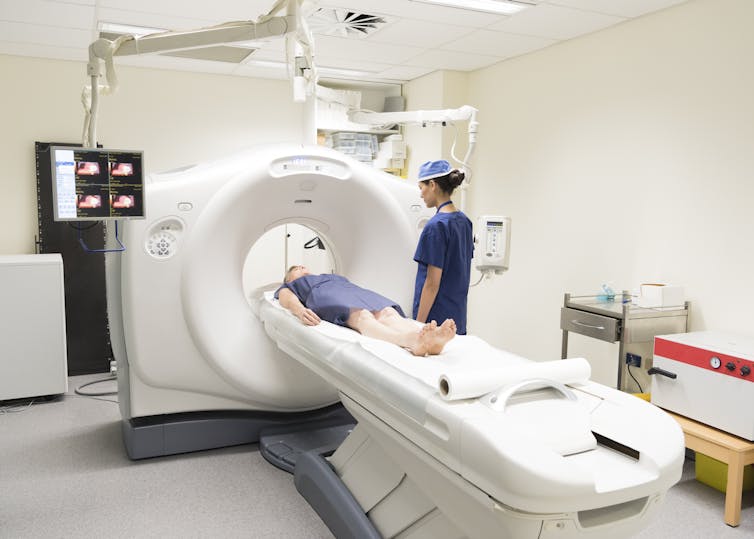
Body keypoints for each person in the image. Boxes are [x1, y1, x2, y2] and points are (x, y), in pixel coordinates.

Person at [275, 265, 456, 357]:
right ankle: (409, 341)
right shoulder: (293, 286)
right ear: (290, 279)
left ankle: (427, 338)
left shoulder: (329, 275)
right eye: (295, 269)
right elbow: (285, 297)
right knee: (363, 316)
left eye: (302, 266)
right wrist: (299, 310)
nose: (300, 268)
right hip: (325, 294)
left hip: (353, 290)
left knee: (387, 312)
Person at [413, 160, 474, 335]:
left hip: (435, 320)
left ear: (432, 185)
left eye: (421, 188)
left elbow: (432, 284)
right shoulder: (464, 222)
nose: (421, 195)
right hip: (457, 319)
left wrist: (417, 326)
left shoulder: (435, 227)